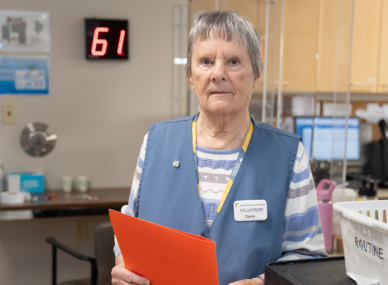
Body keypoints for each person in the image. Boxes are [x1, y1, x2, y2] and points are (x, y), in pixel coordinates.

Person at [111, 10, 327, 285]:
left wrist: (261, 284)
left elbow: (308, 258)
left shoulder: (288, 156)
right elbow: (129, 232)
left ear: (256, 73)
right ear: (190, 75)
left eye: (234, 61)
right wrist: (124, 267)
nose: (218, 74)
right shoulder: (155, 143)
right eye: (205, 61)